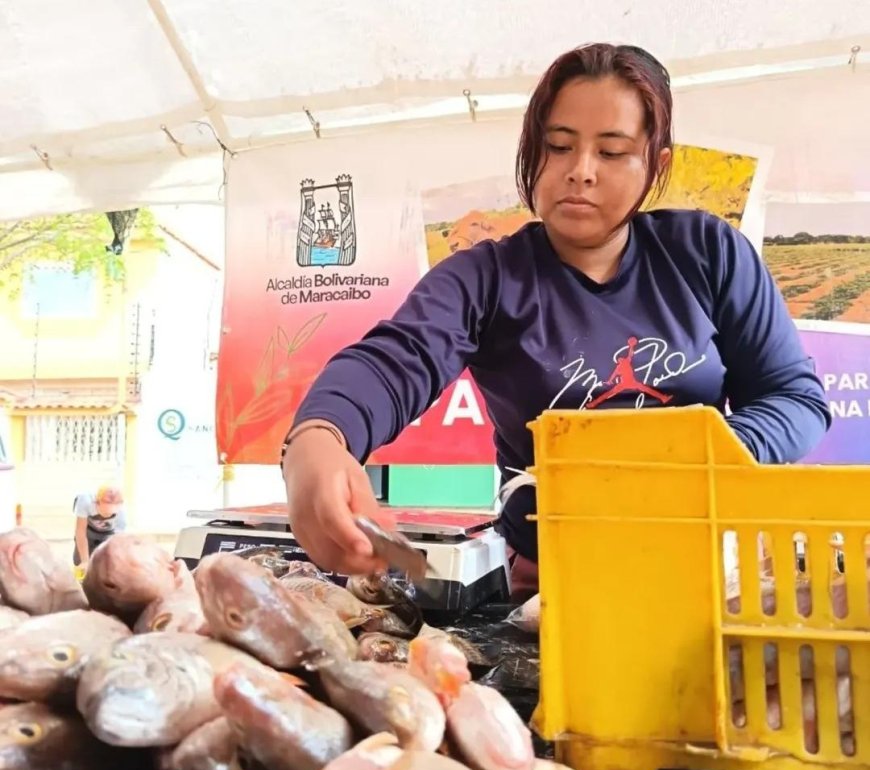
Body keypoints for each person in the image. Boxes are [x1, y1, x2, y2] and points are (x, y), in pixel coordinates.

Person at [280, 42, 831, 592]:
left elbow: (794, 399)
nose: (580, 172)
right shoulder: (488, 277)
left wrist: (695, 460)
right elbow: (394, 361)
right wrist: (320, 437)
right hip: (551, 580)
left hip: (710, 567)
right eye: (558, 146)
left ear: (655, 164)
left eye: (612, 152)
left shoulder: (708, 251)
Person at [73, 485, 126, 568]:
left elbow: (116, 542)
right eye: (104, 512)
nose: (106, 516)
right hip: (88, 530)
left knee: (106, 564)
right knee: (79, 562)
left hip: (109, 533)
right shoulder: (85, 501)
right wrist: (85, 561)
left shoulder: (121, 516)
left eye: (110, 514)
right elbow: (80, 531)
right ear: (97, 503)